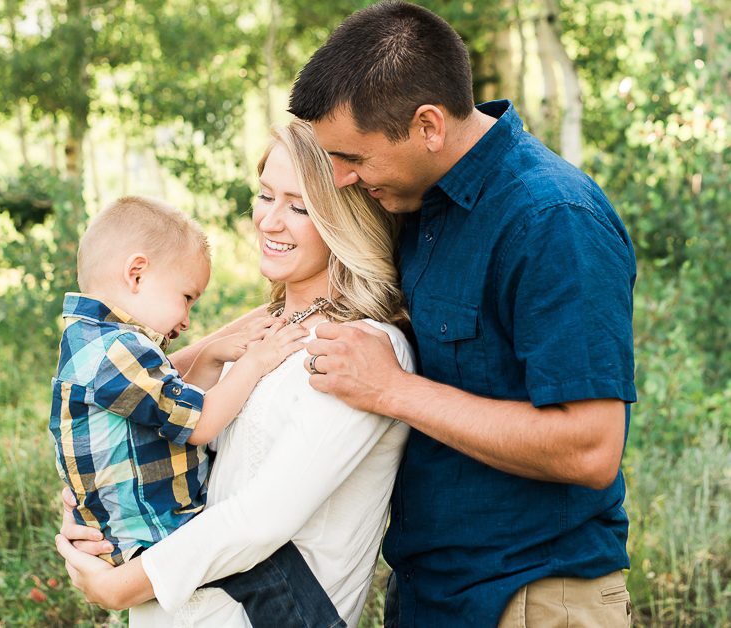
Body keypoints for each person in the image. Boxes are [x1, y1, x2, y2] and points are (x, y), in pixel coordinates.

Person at [288, 2, 637, 626]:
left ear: (428, 125)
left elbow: (590, 447)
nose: (340, 179)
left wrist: (393, 390)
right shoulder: (417, 205)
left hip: (532, 597)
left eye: (354, 158)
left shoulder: (552, 220)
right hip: (430, 594)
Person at [55, 119, 416, 627]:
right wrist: (95, 505)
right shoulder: (267, 330)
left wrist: (117, 585)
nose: (269, 221)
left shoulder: (364, 350)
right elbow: (146, 423)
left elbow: (260, 519)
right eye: (265, 195)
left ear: (344, 218)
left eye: (298, 206)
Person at [49, 195, 341, 626]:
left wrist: (209, 359)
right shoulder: (117, 351)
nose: (186, 320)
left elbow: (172, 413)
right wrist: (257, 361)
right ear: (137, 274)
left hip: (138, 524)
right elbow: (199, 424)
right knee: (265, 567)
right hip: (151, 529)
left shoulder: (99, 342)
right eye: (186, 297)